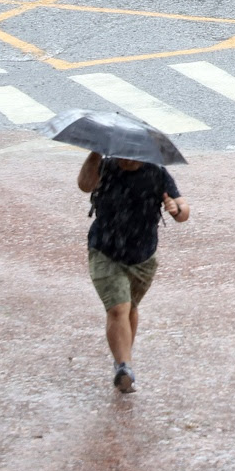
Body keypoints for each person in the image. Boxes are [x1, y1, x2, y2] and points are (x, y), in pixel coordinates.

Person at [77, 151, 189, 393]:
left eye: (134, 157)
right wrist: (95, 152)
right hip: (105, 251)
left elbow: (184, 210)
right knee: (118, 307)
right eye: (123, 156)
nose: (128, 161)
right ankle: (124, 366)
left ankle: (123, 360)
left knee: (131, 307)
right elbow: (84, 185)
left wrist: (175, 209)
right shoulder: (105, 166)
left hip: (143, 257)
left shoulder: (156, 173)